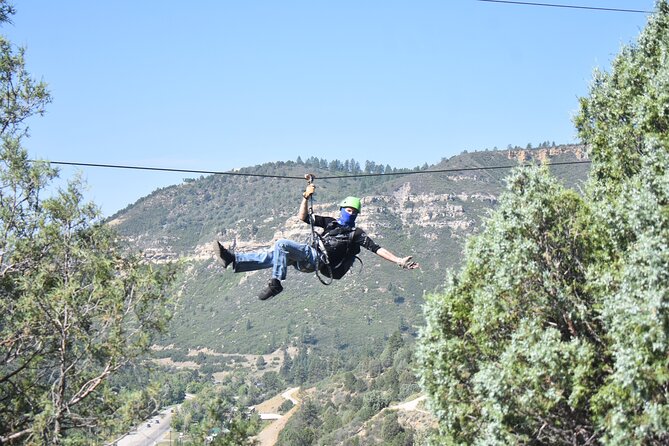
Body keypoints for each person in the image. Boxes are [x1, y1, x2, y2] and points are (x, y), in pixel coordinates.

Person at [213, 183, 419, 300]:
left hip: (317, 259)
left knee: (282, 244)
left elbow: (377, 249)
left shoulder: (356, 233)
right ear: (341, 209)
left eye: (355, 212)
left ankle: (276, 283)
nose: (352, 214)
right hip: (307, 257)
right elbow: (303, 218)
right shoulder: (329, 223)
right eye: (349, 210)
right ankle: (233, 260)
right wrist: (305, 197)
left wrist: (398, 260)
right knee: (275, 254)